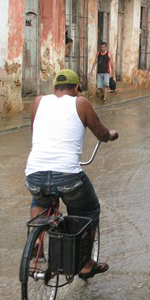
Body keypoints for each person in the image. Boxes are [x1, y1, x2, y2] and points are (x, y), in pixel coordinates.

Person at [25, 69, 119, 279]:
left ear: (54, 88)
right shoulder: (81, 103)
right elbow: (101, 134)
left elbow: (36, 132)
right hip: (67, 175)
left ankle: (37, 237)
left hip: (34, 173)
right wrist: (111, 135)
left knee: (40, 200)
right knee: (89, 209)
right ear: (76, 88)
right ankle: (86, 263)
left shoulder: (39, 101)